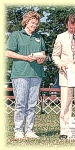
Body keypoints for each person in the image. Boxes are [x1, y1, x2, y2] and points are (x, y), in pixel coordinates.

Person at [5, 11, 46, 139]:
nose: (34, 25)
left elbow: (43, 54)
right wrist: (24, 58)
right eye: (32, 22)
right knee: (21, 103)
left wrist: (41, 59)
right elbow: (8, 53)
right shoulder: (16, 35)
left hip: (36, 74)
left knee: (32, 104)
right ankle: (18, 130)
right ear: (26, 22)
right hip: (20, 74)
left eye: (36, 23)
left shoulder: (39, 37)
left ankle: (29, 130)